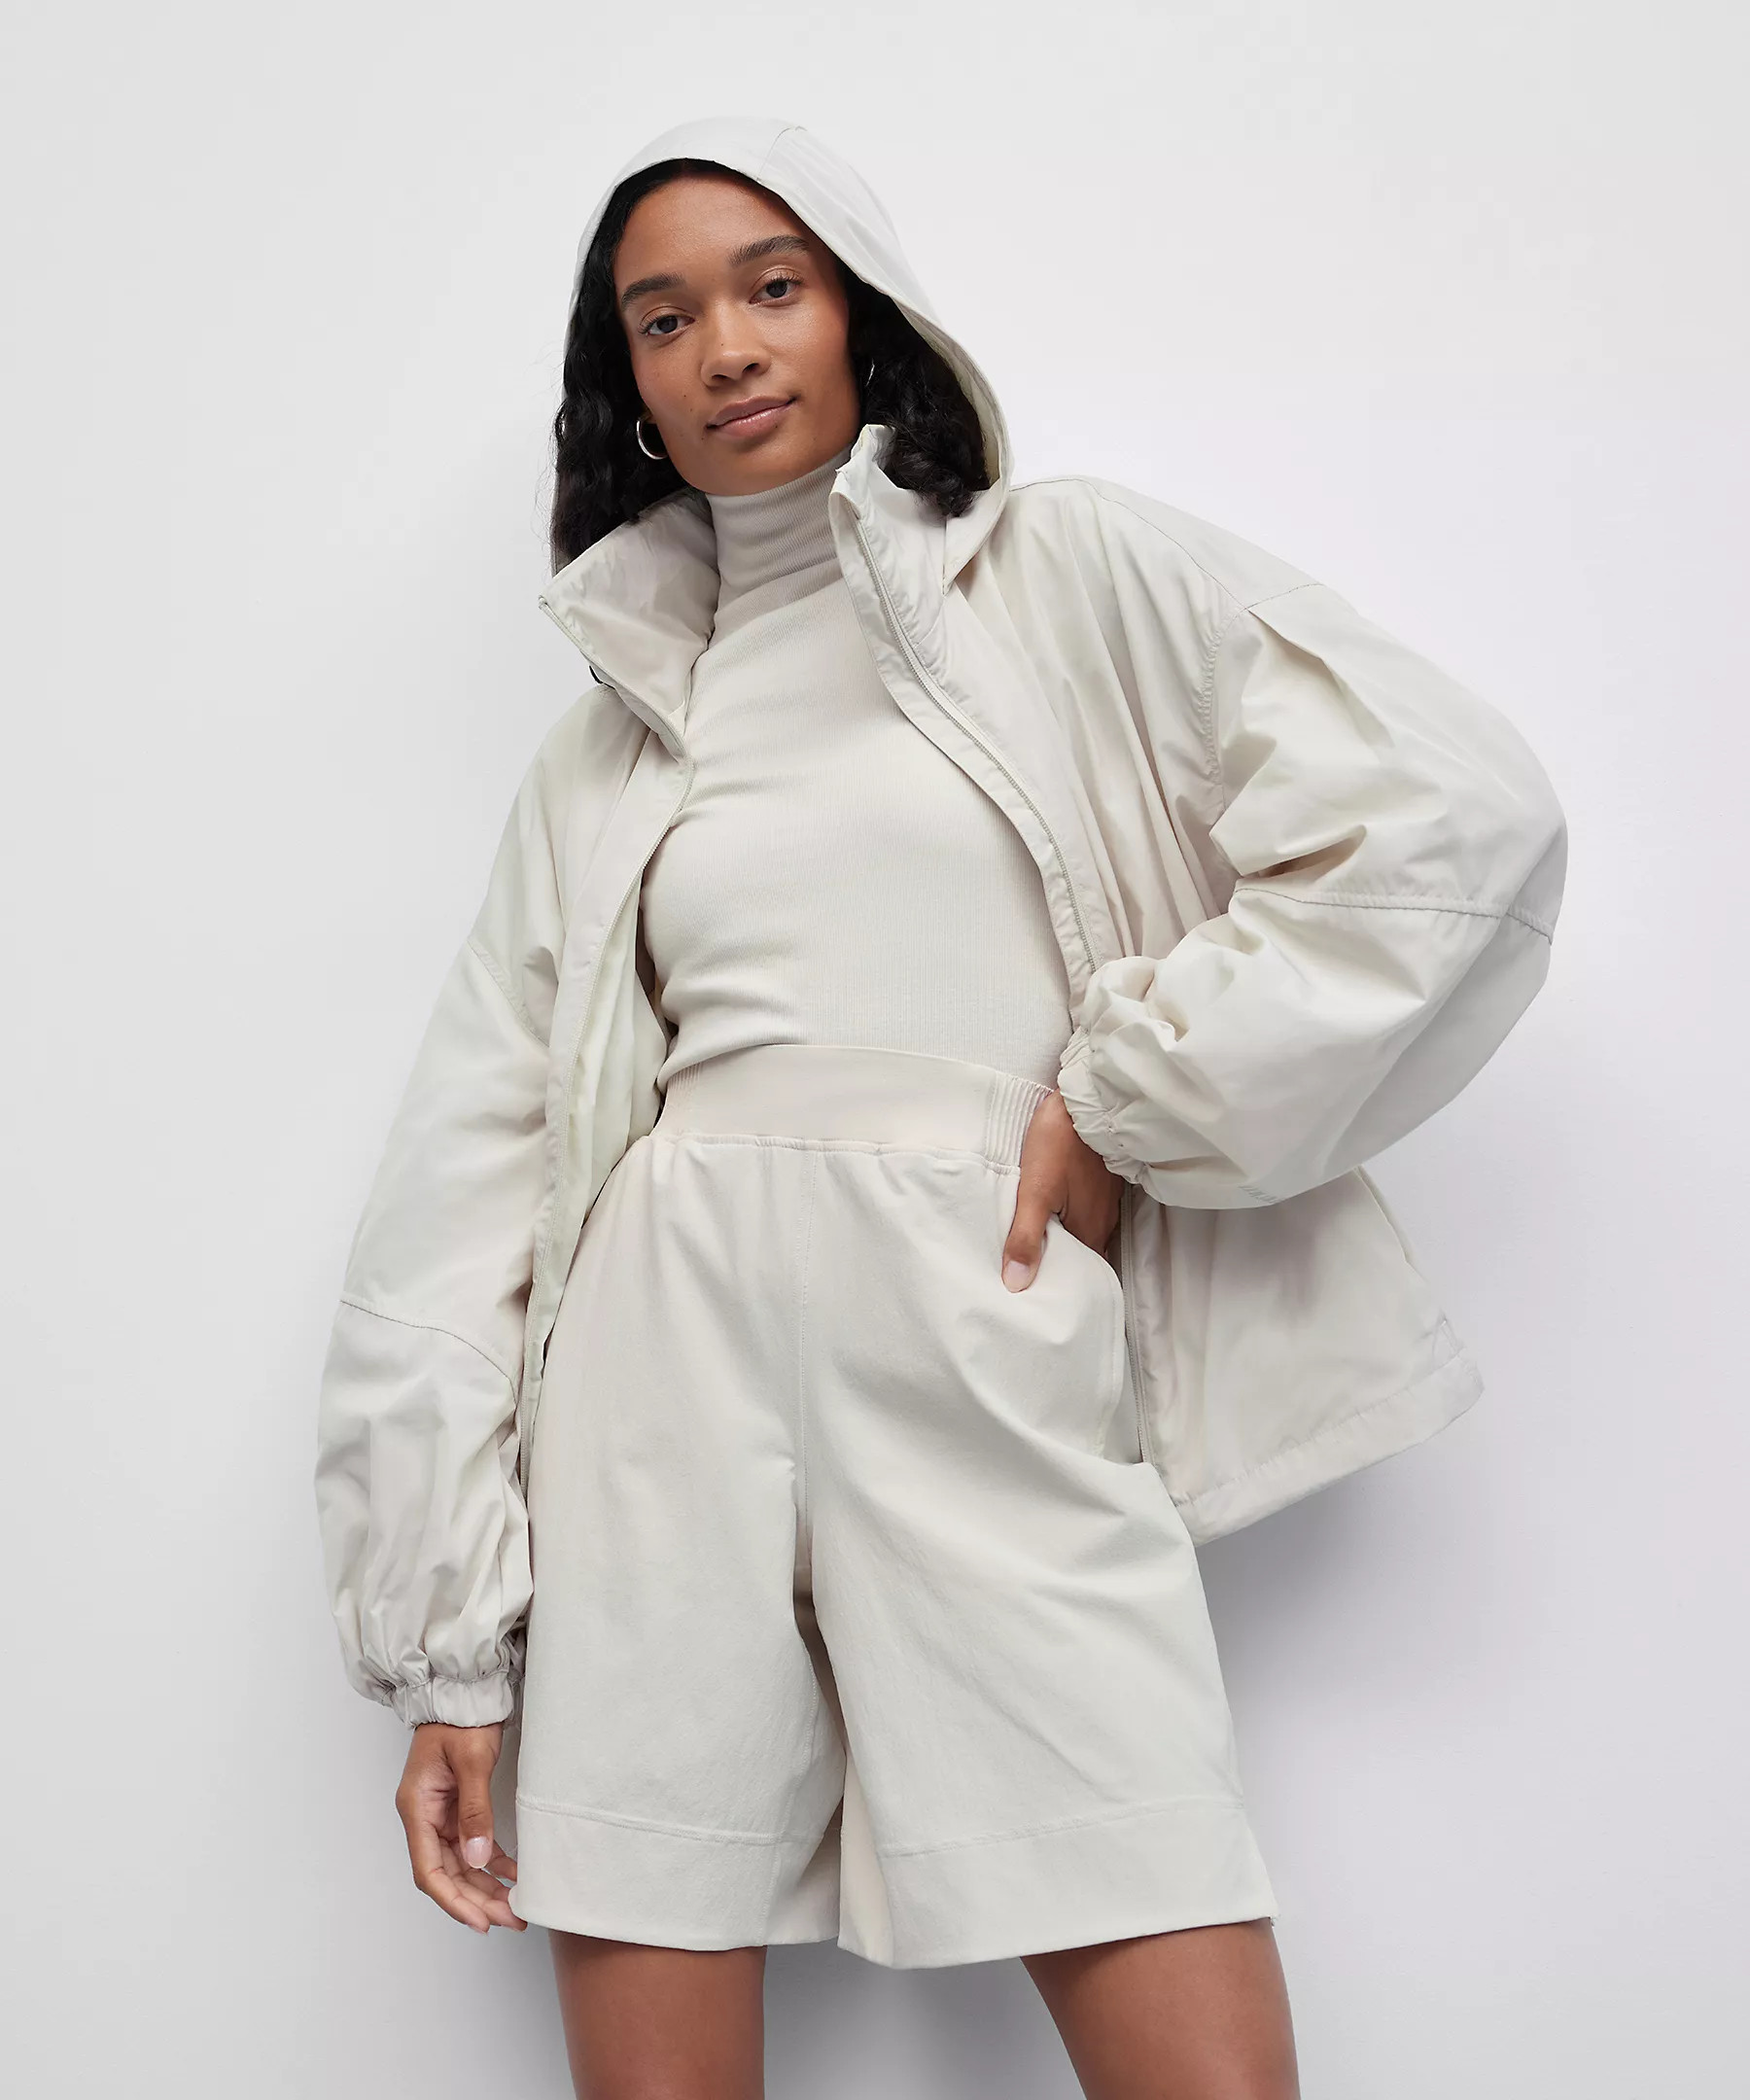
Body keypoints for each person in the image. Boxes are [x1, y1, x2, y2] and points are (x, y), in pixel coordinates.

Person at [314, 114, 1565, 2099]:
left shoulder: (1060, 573)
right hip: (657, 1373)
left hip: (984, 1320)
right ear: (625, 383)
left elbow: (1450, 825)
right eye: (662, 317)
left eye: (772, 287)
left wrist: (1133, 1095)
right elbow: (469, 1172)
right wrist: (444, 1641)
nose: (724, 345)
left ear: (865, 313)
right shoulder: (612, 744)